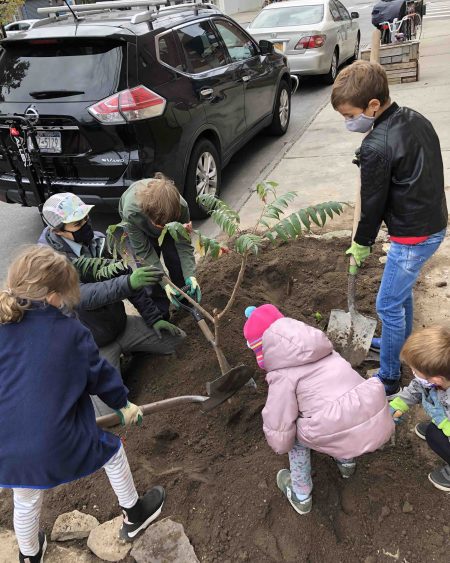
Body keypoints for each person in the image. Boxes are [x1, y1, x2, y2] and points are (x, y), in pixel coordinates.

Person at [0, 246, 165, 563]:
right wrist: (123, 405)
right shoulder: (70, 332)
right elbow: (99, 375)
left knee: (25, 495)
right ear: (52, 296)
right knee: (112, 453)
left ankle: (29, 555)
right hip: (52, 441)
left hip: (6, 443)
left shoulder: (4, 323)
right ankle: (134, 513)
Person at [331, 60, 447, 395]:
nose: (348, 122)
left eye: (350, 116)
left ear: (373, 105)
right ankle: (400, 341)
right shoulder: (414, 117)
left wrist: (362, 241)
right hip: (433, 221)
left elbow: (372, 205)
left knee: (387, 305)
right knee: (399, 293)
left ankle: (390, 378)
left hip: (413, 236)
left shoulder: (375, 147)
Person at [39, 192, 185, 416]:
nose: (86, 225)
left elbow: (125, 276)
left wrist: (153, 317)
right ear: (58, 230)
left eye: (86, 218)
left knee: (179, 342)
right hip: (94, 346)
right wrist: (128, 282)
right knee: (112, 414)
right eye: (77, 224)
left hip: (121, 326)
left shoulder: (98, 240)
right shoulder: (50, 262)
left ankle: (133, 353)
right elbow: (82, 296)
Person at [243, 304, 394, 515]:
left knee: (293, 438)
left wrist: (282, 444)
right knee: (338, 409)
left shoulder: (282, 376)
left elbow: (279, 422)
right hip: (368, 411)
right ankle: (346, 463)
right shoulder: (325, 350)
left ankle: (301, 495)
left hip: (336, 425)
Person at [118, 172, 200, 317]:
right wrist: (165, 283)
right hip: (140, 229)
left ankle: (185, 301)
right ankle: (161, 313)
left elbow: (183, 245)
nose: (161, 229)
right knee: (151, 277)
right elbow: (145, 253)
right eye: (159, 226)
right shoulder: (132, 213)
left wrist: (190, 275)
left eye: (165, 226)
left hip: (169, 226)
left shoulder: (181, 207)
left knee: (175, 260)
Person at [389, 326, 450, 491]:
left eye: (415, 371)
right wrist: (396, 406)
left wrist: (442, 423)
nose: (412, 373)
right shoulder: (435, 380)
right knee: (435, 429)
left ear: (436, 379)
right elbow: (416, 388)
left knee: (433, 436)